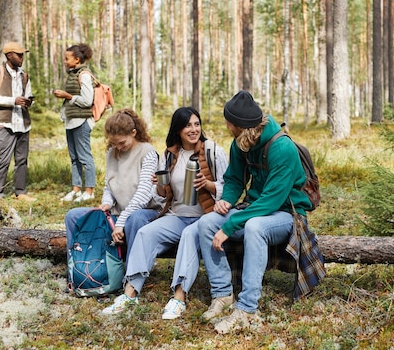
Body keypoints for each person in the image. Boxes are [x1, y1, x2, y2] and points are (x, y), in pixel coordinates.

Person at [197, 90, 312, 334]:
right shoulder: (241, 141)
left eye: (228, 121)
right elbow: (235, 179)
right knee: (207, 223)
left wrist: (230, 225)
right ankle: (223, 294)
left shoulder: (282, 148)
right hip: (255, 208)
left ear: (238, 125)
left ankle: (247, 308)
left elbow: (271, 201)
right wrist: (227, 201)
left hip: (286, 213)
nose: (226, 125)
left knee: (254, 226)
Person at [101, 107, 229, 318]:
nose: (193, 129)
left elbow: (229, 189)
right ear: (178, 129)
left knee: (189, 236)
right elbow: (162, 197)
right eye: (188, 125)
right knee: (145, 233)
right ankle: (129, 293)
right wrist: (160, 186)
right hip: (177, 216)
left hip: (205, 217)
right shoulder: (170, 155)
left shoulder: (213, 151)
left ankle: (179, 297)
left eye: (197, 124)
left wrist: (208, 185)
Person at [65, 109, 162, 286]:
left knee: (136, 218)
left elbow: (144, 195)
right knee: (73, 216)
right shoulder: (112, 152)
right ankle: (77, 270)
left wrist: (121, 221)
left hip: (146, 213)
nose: (118, 147)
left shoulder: (147, 152)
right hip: (119, 212)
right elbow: (109, 185)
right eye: (114, 143)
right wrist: (107, 203)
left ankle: (132, 278)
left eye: (122, 143)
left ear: (134, 133)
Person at [0, 41, 35, 201]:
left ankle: (20, 192)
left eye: (22, 55)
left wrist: (29, 102)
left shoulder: (24, 75)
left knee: (22, 160)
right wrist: (13, 100)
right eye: (19, 55)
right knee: (2, 159)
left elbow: (29, 95)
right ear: (8, 56)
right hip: (5, 123)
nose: (22, 58)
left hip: (23, 123)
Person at [53, 43, 97, 203]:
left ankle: (89, 190)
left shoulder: (84, 74)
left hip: (81, 122)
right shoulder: (73, 73)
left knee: (85, 157)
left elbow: (87, 100)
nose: (64, 61)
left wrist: (67, 96)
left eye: (67, 58)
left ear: (77, 59)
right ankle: (76, 189)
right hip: (71, 121)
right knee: (74, 158)